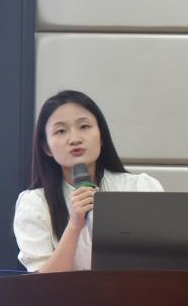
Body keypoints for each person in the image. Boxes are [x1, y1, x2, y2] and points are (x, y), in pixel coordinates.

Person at [13, 90, 163, 273]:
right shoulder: (35, 204)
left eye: (84, 126)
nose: (75, 139)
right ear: (46, 147)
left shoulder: (139, 188)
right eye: (61, 131)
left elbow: (163, 262)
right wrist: (74, 225)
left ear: (101, 136)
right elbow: (42, 285)